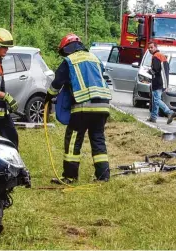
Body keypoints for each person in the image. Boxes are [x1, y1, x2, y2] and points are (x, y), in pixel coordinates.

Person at [45, 33, 112, 184]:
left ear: (67, 48)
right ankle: (103, 176)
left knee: (73, 140)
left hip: (83, 105)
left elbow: (57, 84)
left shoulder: (69, 61)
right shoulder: (94, 58)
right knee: (98, 139)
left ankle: (70, 176)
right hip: (103, 105)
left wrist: (48, 98)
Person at [147, 42, 175, 124]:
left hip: (157, 81)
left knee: (156, 100)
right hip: (163, 81)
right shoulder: (162, 56)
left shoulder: (156, 56)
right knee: (155, 99)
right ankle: (153, 117)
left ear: (155, 47)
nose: (149, 49)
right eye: (149, 48)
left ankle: (169, 112)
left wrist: (149, 71)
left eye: (151, 47)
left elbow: (155, 70)